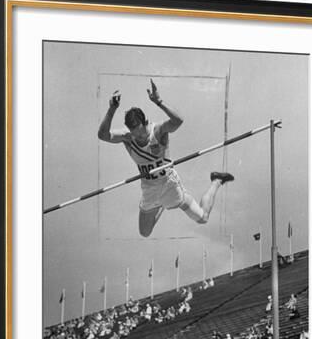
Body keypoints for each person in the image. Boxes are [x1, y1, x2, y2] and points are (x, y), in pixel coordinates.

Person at [98, 79, 234, 237]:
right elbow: (103, 135)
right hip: (149, 189)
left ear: (145, 123)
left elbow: (178, 121)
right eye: (134, 133)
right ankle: (161, 206)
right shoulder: (128, 137)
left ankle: (216, 181)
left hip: (170, 185)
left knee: (203, 217)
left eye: (141, 132)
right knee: (144, 232)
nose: (139, 137)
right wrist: (111, 109)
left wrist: (159, 102)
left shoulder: (158, 131)